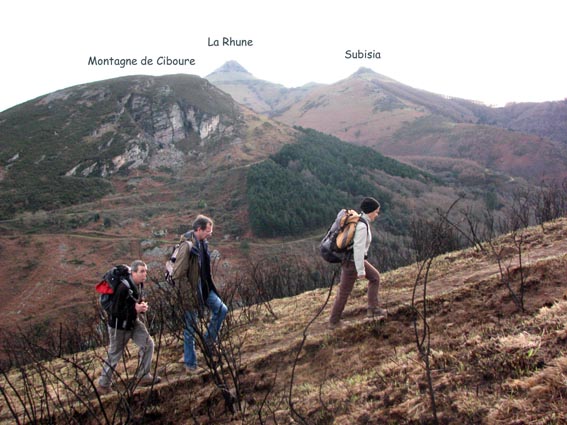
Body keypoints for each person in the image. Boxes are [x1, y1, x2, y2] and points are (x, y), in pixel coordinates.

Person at [172, 214, 228, 373]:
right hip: (191, 293)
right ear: (199, 229)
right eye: (208, 231)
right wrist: (188, 296)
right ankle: (190, 364)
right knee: (190, 327)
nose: (210, 233)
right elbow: (178, 274)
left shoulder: (203, 244)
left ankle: (208, 342)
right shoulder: (187, 246)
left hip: (205, 289)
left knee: (221, 309)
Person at [97, 260, 161, 394]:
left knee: (148, 344)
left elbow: (132, 303)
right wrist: (135, 309)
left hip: (132, 322)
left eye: (145, 271)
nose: (145, 274)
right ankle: (103, 385)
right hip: (118, 326)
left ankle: (144, 375)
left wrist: (140, 307)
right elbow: (115, 310)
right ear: (133, 272)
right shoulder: (122, 288)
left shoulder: (137, 284)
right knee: (115, 354)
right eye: (142, 271)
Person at [329, 197, 386, 328]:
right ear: (370, 211)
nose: (377, 215)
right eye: (376, 212)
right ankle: (334, 321)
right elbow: (358, 250)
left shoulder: (361, 222)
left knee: (375, 277)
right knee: (344, 292)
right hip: (352, 263)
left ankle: (373, 309)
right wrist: (361, 270)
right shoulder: (361, 226)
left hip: (353, 261)